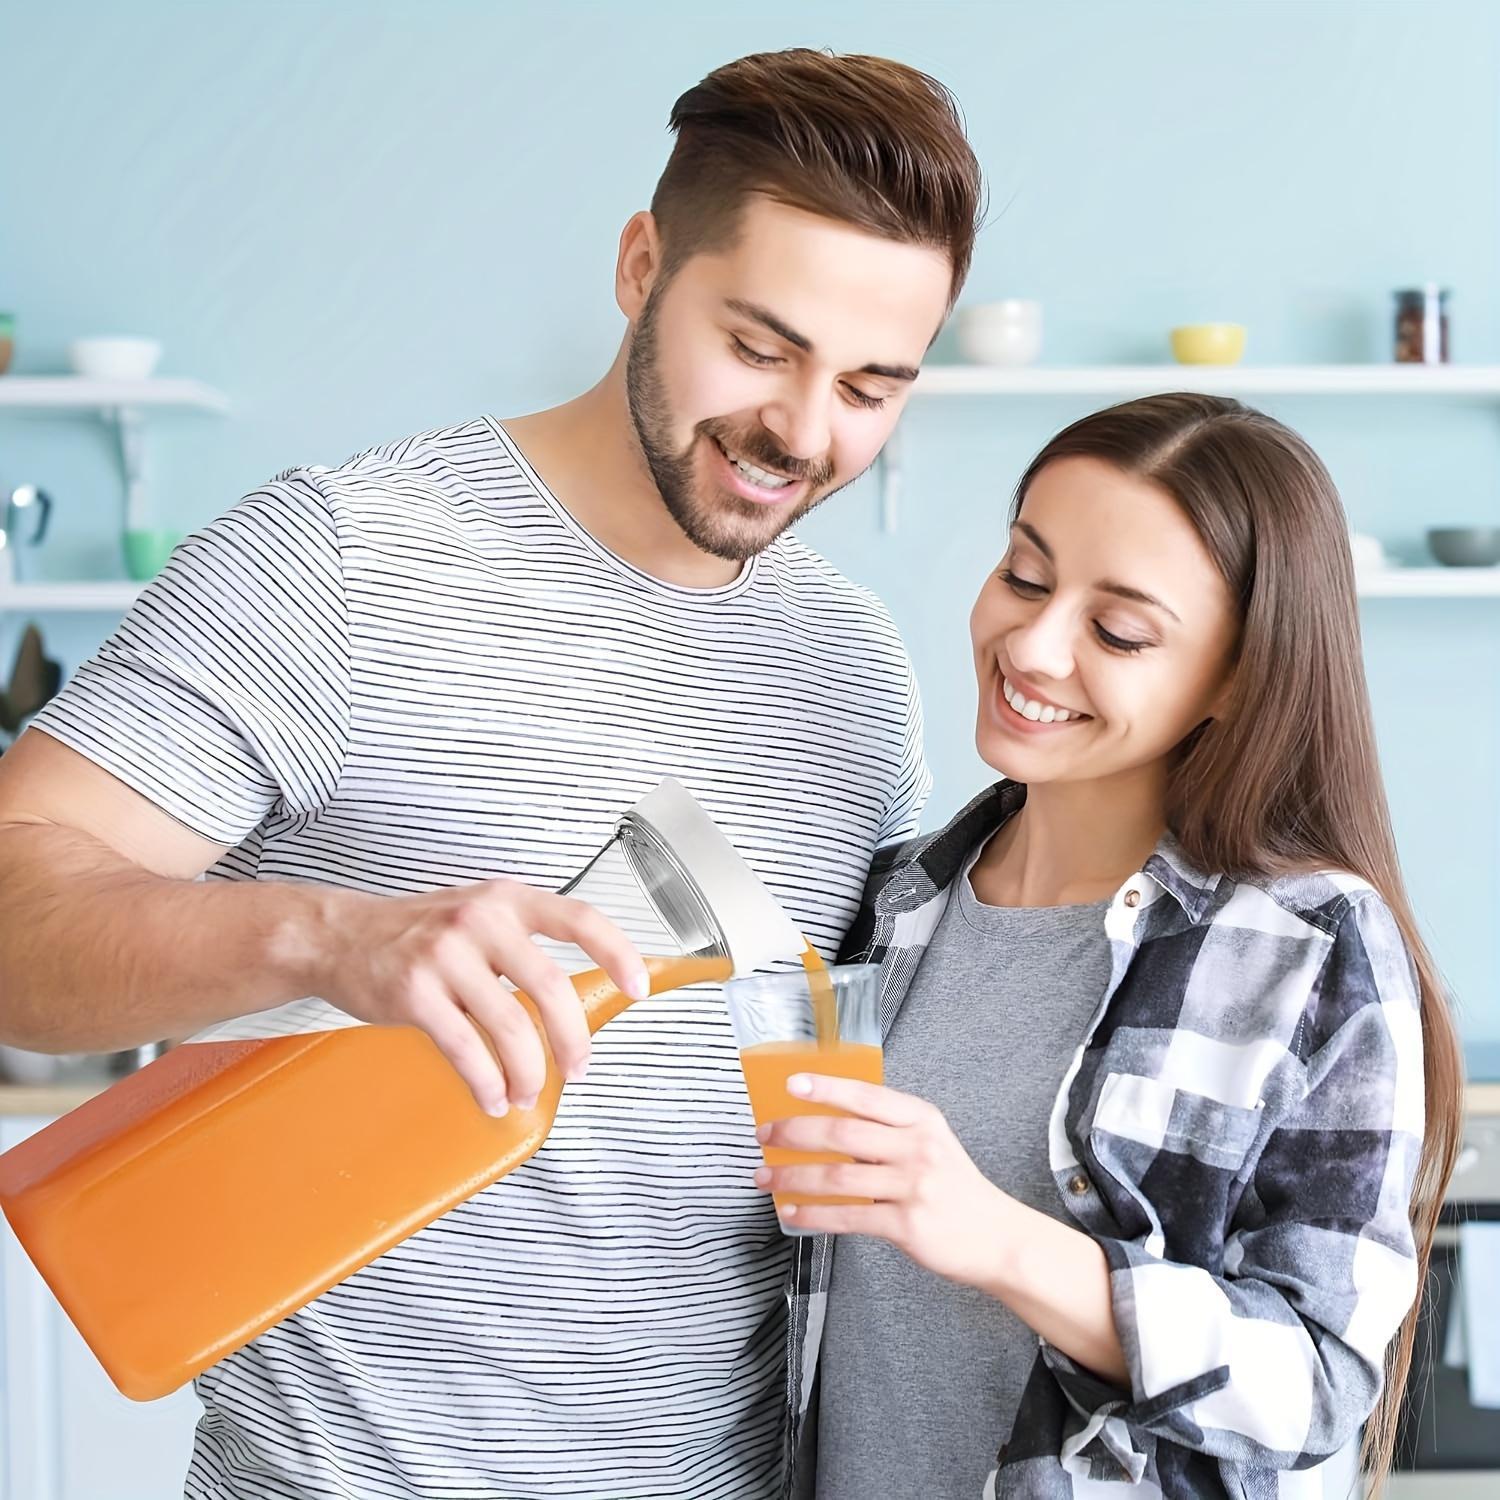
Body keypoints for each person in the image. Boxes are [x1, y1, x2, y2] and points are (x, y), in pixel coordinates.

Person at [0, 50, 983, 1499]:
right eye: (762, 347)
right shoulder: (338, 561)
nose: (803, 431)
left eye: (873, 386)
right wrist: (327, 936)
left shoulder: (854, 671)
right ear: (643, 264)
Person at [759, 393, 1462, 1499]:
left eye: (1120, 631)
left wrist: (998, 1240)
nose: (1032, 647)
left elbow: (1317, 1382)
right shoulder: (899, 905)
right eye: (1025, 577)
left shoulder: (1305, 945)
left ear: (1237, 673)